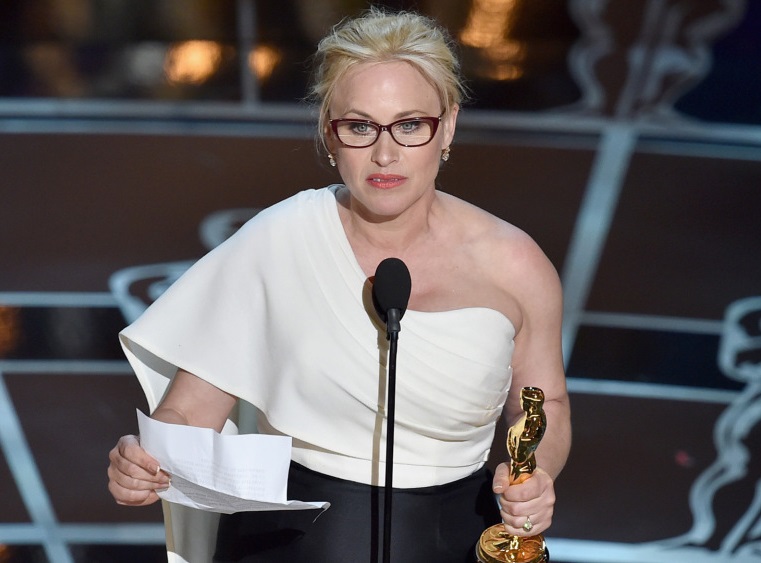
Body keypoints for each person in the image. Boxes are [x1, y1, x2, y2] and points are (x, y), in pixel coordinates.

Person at [107, 7, 571, 563]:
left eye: (409, 124)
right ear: (330, 133)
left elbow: (545, 405)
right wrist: (143, 459)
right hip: (290, 545)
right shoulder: (279, 240)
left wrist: (535, 475)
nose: (384, 153)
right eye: (359, 126)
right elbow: (188, 412)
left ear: (446, 126)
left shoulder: (516, 264)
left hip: (455, 540)